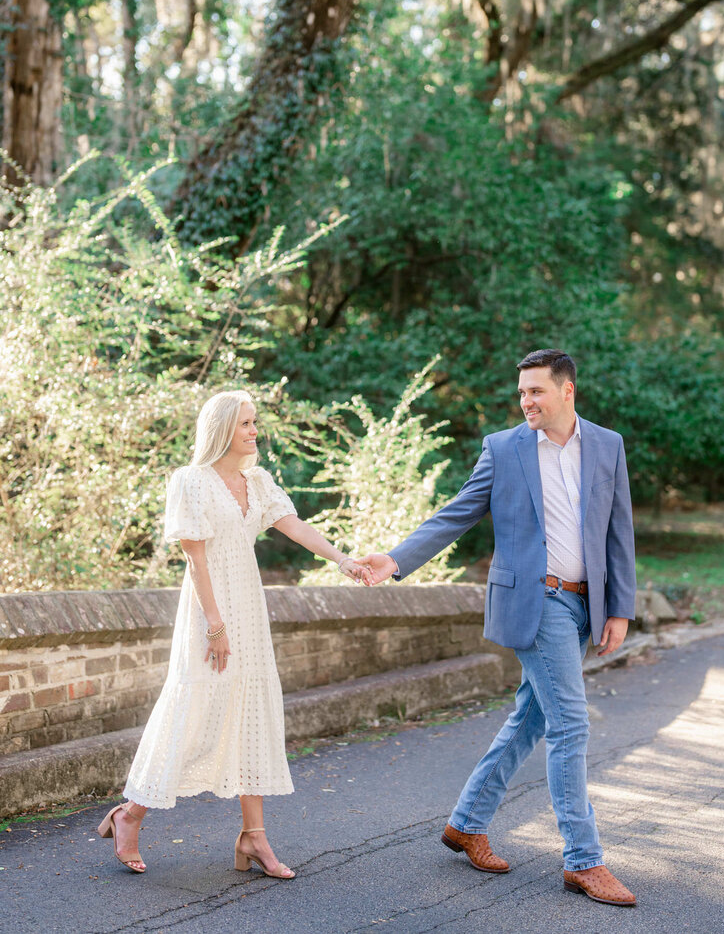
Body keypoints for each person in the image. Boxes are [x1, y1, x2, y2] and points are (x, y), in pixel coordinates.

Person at [356, 350, 637, 907]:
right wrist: (395, 558)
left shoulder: (607, 445)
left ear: (568, 391)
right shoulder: (504, 449)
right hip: (537, 603)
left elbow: (618, 530)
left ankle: (467, 822)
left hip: (586, 605)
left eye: (537, 391)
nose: (527, 402)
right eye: (522, 393)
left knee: (533, 718)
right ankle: (584, 860)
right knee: (571, 726)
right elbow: (458, 512)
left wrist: (620, 608)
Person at [97, 389, 370, 877]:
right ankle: (130, 815)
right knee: (194, 707)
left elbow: (296, 527)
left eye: (254, 422)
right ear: (223, 428)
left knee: (251, 710)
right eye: (246, 423)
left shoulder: (257, 480)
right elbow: (195, 559)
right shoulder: (191, 482)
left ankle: (254, 837)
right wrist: (215, 627)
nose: (254, 430)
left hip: (249, 605)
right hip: (209, 610)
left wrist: (344, 561)